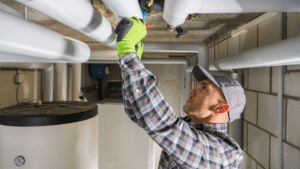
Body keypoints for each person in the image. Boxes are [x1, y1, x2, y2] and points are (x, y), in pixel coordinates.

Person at [115, 16, 246, 169]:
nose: (192, 90)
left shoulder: (223, 155)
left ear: (220, 108)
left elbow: (163, 125)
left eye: (204, 88)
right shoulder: (192, 128)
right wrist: (132, 60)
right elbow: (137, 114)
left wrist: (129, 53)